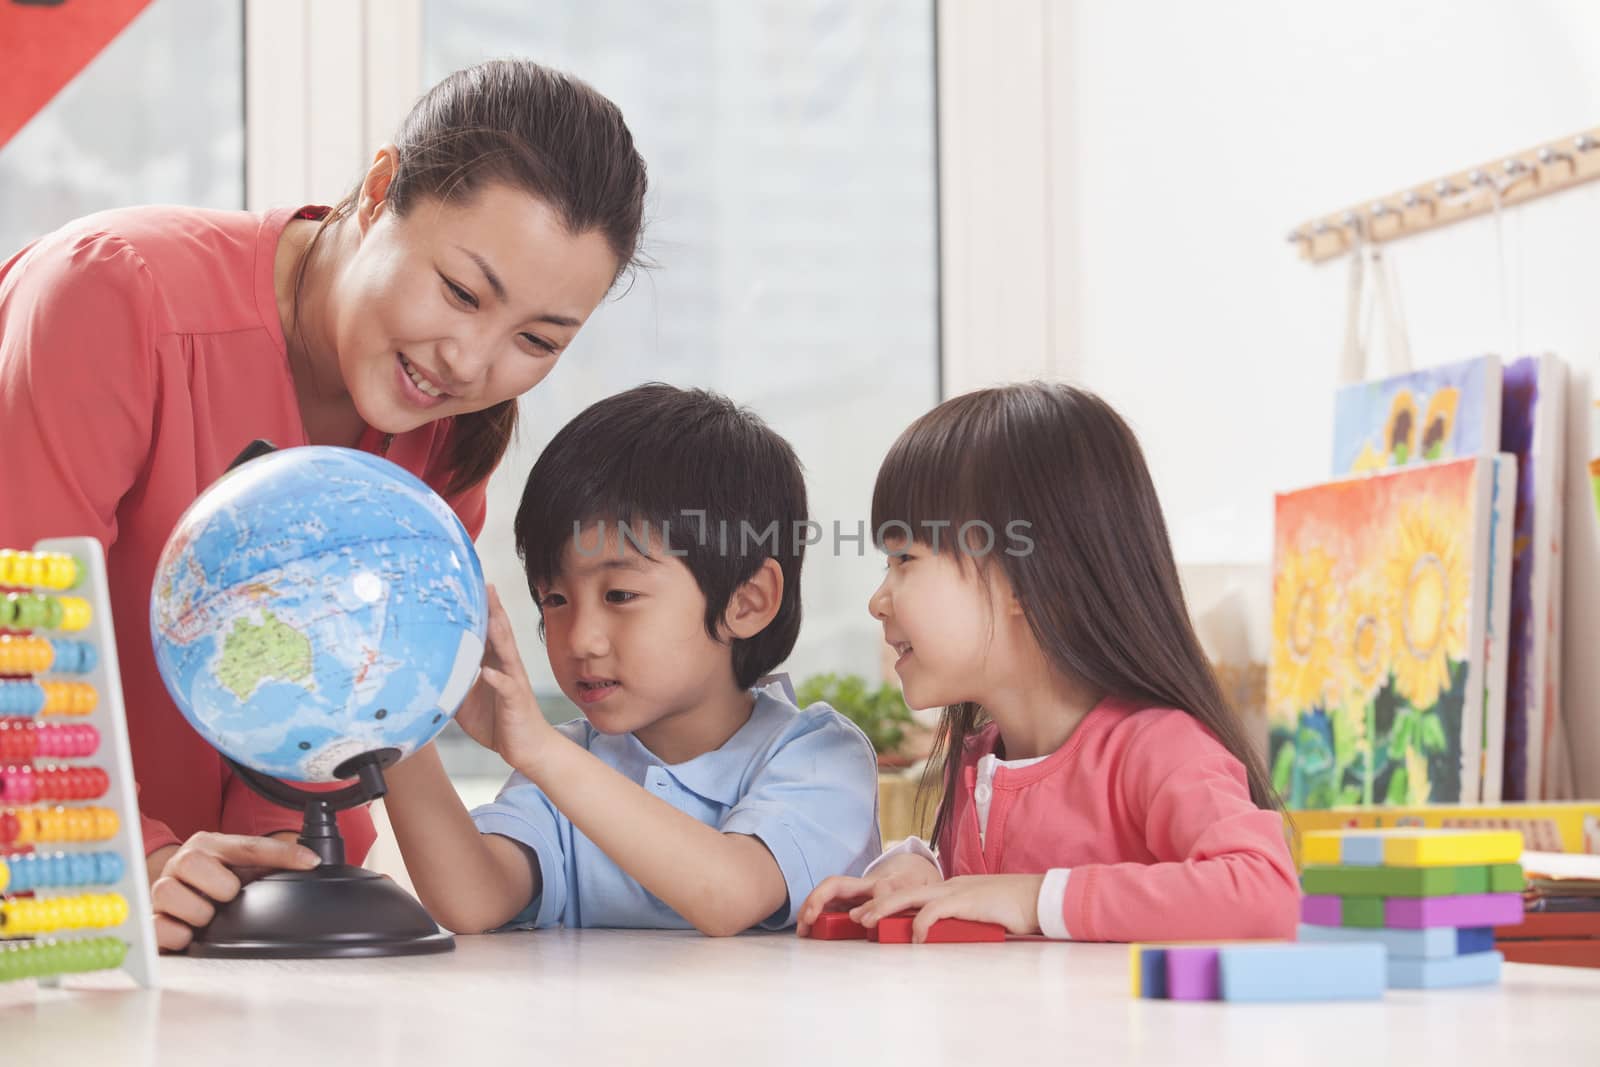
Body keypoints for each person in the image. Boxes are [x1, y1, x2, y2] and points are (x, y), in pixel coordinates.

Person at [0, 59, 648, 951]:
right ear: (379, 190)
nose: (469, 362)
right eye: (462, 291)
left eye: (535, 340)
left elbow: (346, 709)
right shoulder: (111, 296)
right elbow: (14, 643)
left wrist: (272, 867)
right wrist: (134, 862)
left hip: (199, 941)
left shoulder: (449, 431)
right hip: (58, 907)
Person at [796, 382, 1300, 944]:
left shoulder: (1158, 751)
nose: (878, 600)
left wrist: (1034, 896)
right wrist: (925, 877)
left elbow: (1265, 893)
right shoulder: (982, 765)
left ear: (1027, 581)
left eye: (904, 559)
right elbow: (1001, 919)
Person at [383, 384, 882, 935]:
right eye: (554, 600)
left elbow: (729, 893)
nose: (580, 640)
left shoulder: (818, 755)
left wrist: (540, 751)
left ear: (747, 601)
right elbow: (473, 900)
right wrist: (397, 718)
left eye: (619, 596)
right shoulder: (572, 760)